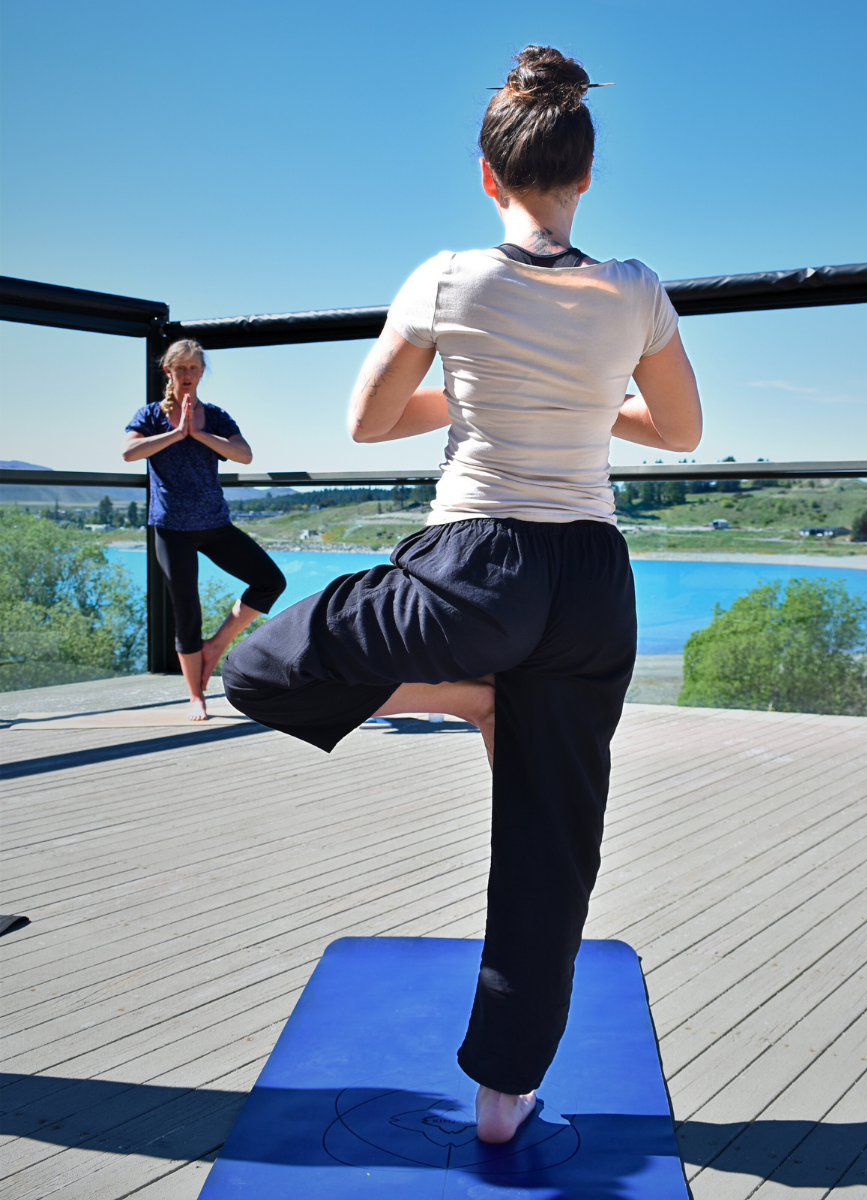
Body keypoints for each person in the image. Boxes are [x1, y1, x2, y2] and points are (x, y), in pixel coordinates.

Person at [223, 45, 701, 1143]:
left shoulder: (445, 276)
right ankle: (503, 1099)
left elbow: (370, 422)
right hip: (590, 581)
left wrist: (473, 389)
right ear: (585, 174)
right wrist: (585, 405)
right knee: (554, 848)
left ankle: (469, 698)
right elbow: (677, 432)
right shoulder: (634, 288)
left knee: (257, 663)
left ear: (489, 176)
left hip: (474, 570)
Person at [122, 339, 286, 720]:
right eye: (180, 369)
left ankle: (215, 647)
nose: (187, 375)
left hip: (214, 524)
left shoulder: (214, 416)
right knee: (186, 613)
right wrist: (175, 434)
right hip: (171, 528)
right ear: (169, 372)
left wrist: (197, 435)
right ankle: (196, 695)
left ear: (201, 373)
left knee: (270, 581)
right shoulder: (149, 416)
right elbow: (129, 453)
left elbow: (244, 454)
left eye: (194, 369)